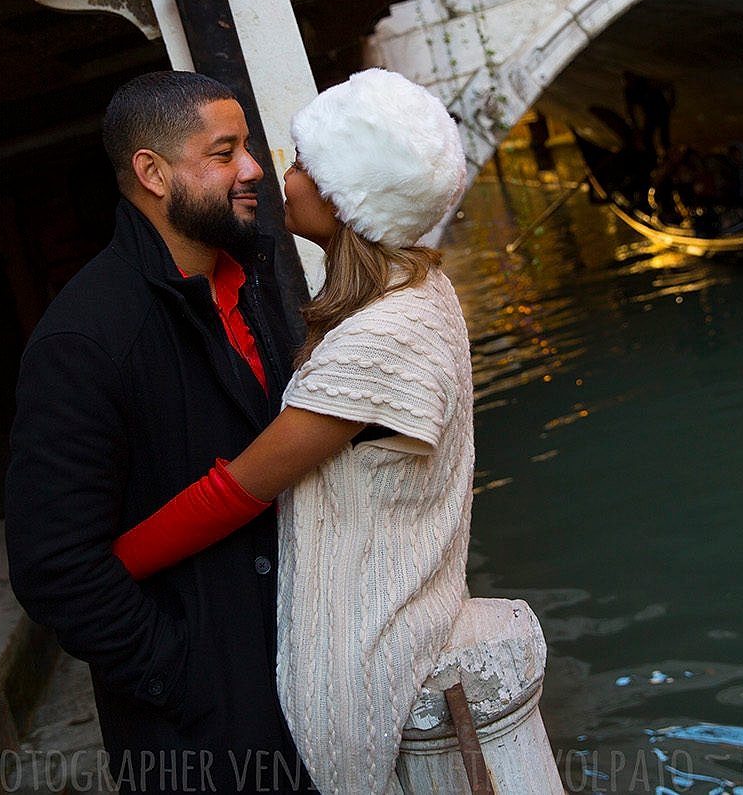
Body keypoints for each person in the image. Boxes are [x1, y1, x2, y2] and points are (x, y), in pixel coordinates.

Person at [111, 68, 475, 795]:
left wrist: (108, 566)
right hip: (389, 626)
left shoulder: (381, 338)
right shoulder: (417, 290)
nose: (281, 172)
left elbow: (237, 489)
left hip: (357, 664)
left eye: (307, 162)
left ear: (349, 197)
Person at [3, 70, 311, 792]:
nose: (252, 169)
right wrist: (189, 678)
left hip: (306, 688)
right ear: (152, 173)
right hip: (197, 746)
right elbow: (55, 571)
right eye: (224, 151)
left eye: (246, 148)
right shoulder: (83, 339)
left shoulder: (253, 277)